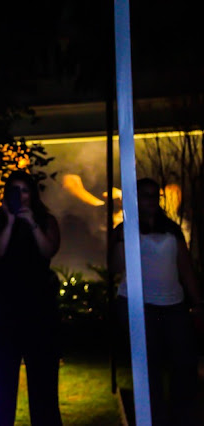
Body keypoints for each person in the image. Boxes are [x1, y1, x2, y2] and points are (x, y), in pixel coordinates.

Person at [111, 178, 202, 426]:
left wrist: (197, 302)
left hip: (173, 304)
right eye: (145, 196)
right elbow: (117, 266)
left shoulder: (171, 229)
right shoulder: (125, 230)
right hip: (139, 305)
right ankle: (154, 416)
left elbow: (185, 267)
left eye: (154, 196)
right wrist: (121, 237)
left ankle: (180, 414)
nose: (151, 201)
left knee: (184, 362)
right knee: (148, 364)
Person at [0, 170, 62, 426]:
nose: (21, 196)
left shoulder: (45, 219)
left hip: (39, 308)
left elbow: (49, 249)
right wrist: (8, 220)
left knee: (43, 381)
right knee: (2, 379)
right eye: (15, 191)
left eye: (25, 190)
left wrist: (32, 223)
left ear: (33, 194)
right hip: (4, 308)